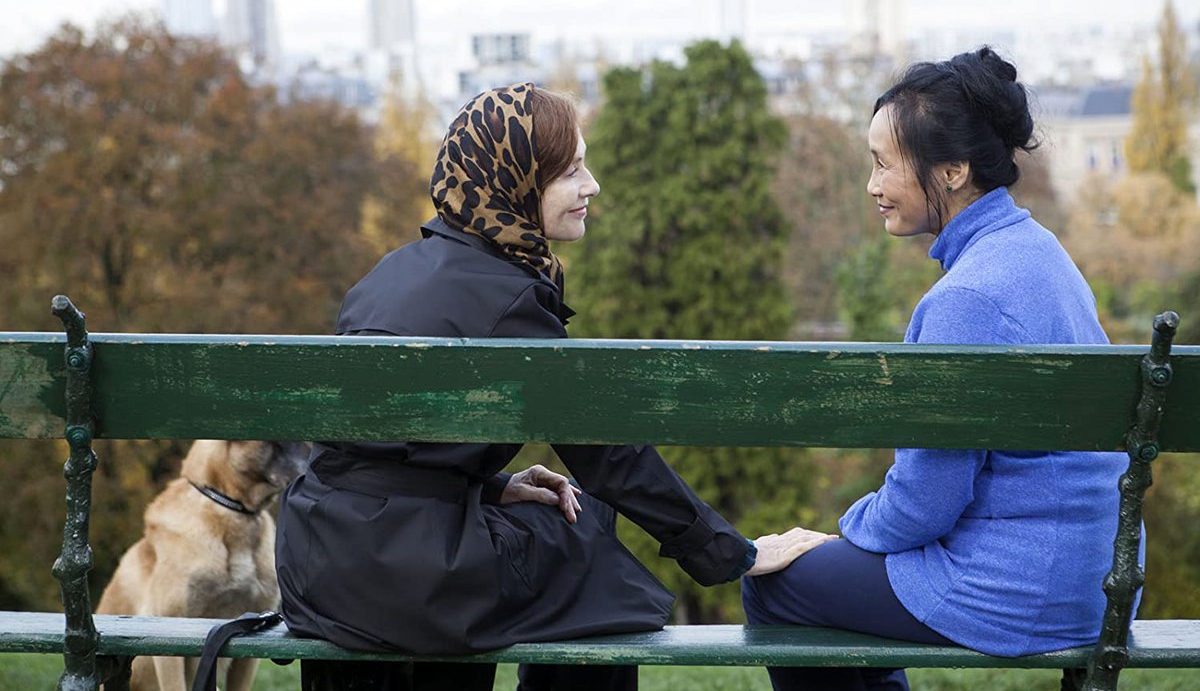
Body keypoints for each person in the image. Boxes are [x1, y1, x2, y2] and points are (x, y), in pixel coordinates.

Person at [275, 83, 829, 691]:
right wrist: (732, 552)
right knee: (600, 561)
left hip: (316, 560)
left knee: (556, 535)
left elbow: (369, 450)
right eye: (569, 172)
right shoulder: (511, 298)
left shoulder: (388, 274)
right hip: (405, 575)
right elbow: (609, 457)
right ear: (512, 181)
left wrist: (490, 486)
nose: (591, 186)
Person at [741, 47, 1138, 691]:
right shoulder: (1038, 251)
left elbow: (924, 507)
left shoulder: (966, 300)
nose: (871, 185)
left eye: (882, 165)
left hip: (1019, 586)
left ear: (952, 171)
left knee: (776, 584)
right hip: (1095, 576)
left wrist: (837, 535)